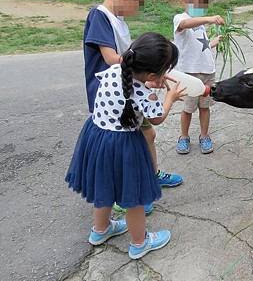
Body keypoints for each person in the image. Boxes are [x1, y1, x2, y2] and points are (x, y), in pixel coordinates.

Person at [66, 33, 187, 259]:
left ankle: (100, 230)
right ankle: (139, 243)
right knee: (135, 198)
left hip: (96, 138)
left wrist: (149, 82)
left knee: (104, 187)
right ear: (152, 74)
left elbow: (127, 91)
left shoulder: (114, 70)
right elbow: (158, 116)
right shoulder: (143, 93)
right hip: (123, 145)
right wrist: (170, 97)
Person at [81, 0, 183, 216]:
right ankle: (123, 195)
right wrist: (149, 75)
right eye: (138, 3)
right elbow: (112, 58)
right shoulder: (100, 15)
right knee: (124, 146)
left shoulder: (118, 20)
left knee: (148, 135)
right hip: (112, 98)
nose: (137, 10)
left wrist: (151, 75)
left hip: (127, 91)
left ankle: (151, 176)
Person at [174, 0, 224, 155]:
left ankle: (204, 136)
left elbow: (200, 46)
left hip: (207, 72)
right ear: (184, 1)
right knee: (188, 108)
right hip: (190, 74)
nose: (200, 8)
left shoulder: (201, 25)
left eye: (203, 4)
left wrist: (213, 43)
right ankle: (183, 137)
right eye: (196, 3)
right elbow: (185, 25)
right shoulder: (180, 19)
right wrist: (210, 18)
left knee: (205, 106)